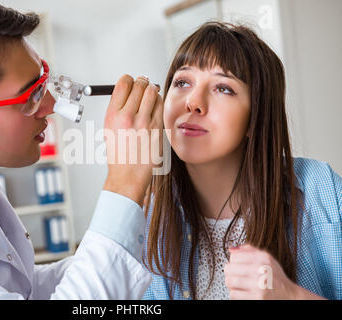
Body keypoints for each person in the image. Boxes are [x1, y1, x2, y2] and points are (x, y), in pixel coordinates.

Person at [0, 0, 163, 299]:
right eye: (32, 93)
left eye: (43, 79)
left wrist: (140, 248)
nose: (49, 106)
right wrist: (125, 182)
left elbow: (20, 287)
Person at [142, 21, 342, 300]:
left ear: (255, 119)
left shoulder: (323, 191)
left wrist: (291, 296)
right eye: (182, 82)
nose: (193, 102)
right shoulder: (147, 219)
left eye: (223, 88)